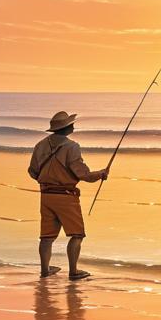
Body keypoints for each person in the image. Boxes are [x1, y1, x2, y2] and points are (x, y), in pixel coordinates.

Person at [28, 110, 107, 280]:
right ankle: (73, 271)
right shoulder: (72, 147)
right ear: (68, 127)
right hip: (66, 197)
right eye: (72, 124)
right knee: (77, 235)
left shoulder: (40, 145)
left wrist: (48, 180)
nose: (74, 125)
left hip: (46, 196)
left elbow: (32, 172)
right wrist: (100, 174)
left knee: (47, 236)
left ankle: (45, 270)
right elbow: (82, 174)